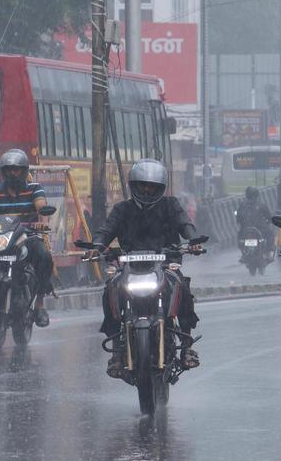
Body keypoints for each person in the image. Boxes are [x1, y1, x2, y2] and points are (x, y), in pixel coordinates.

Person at [86, 159, 205, 376]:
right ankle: (115, 352)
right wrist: (97, 246)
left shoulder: (171, 205)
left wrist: (193, 240)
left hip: (166, 264)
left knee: (183, 289)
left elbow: (185, 224)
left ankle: (187, 347)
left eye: (152, 186)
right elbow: (106, 229)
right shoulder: (122, 209)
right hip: (130, 268)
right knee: (110, 289)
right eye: (142, 186)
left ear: (161, 188)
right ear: (134, 186)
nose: (147, 190)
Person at [0, 149, 54, 326]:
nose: (12, 173)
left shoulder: (35, 189)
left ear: (25, 170)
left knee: (44, 256)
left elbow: (42, 207)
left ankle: (39, 304)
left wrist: (42, 222)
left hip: (26, 238)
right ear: (2, 172)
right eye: (8, 170)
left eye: (16, 169)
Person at [235, 186, 273, 262]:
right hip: (260, 228)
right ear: (256, 195)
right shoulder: (261, 205)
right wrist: (269, 221)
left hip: (245, 229)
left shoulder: (242, 205)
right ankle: (268, 254)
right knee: (270, 234)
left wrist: (240, 223)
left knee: (240, 237)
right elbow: (269, 216)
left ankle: (243, 254)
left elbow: (238, 217)